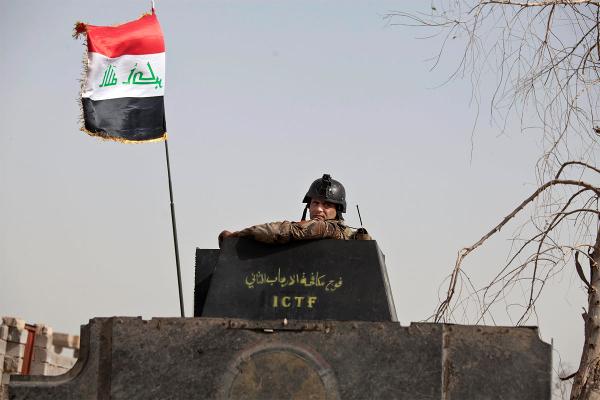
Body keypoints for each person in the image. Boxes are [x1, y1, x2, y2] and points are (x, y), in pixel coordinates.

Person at [218, 174, 371, 246]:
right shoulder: (345, 235)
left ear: (337, 210)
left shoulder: (329, 228)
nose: (319, 209)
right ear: (308, 205)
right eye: (315, 202)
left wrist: (238, 235)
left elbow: (284, 231)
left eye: (326, 205)